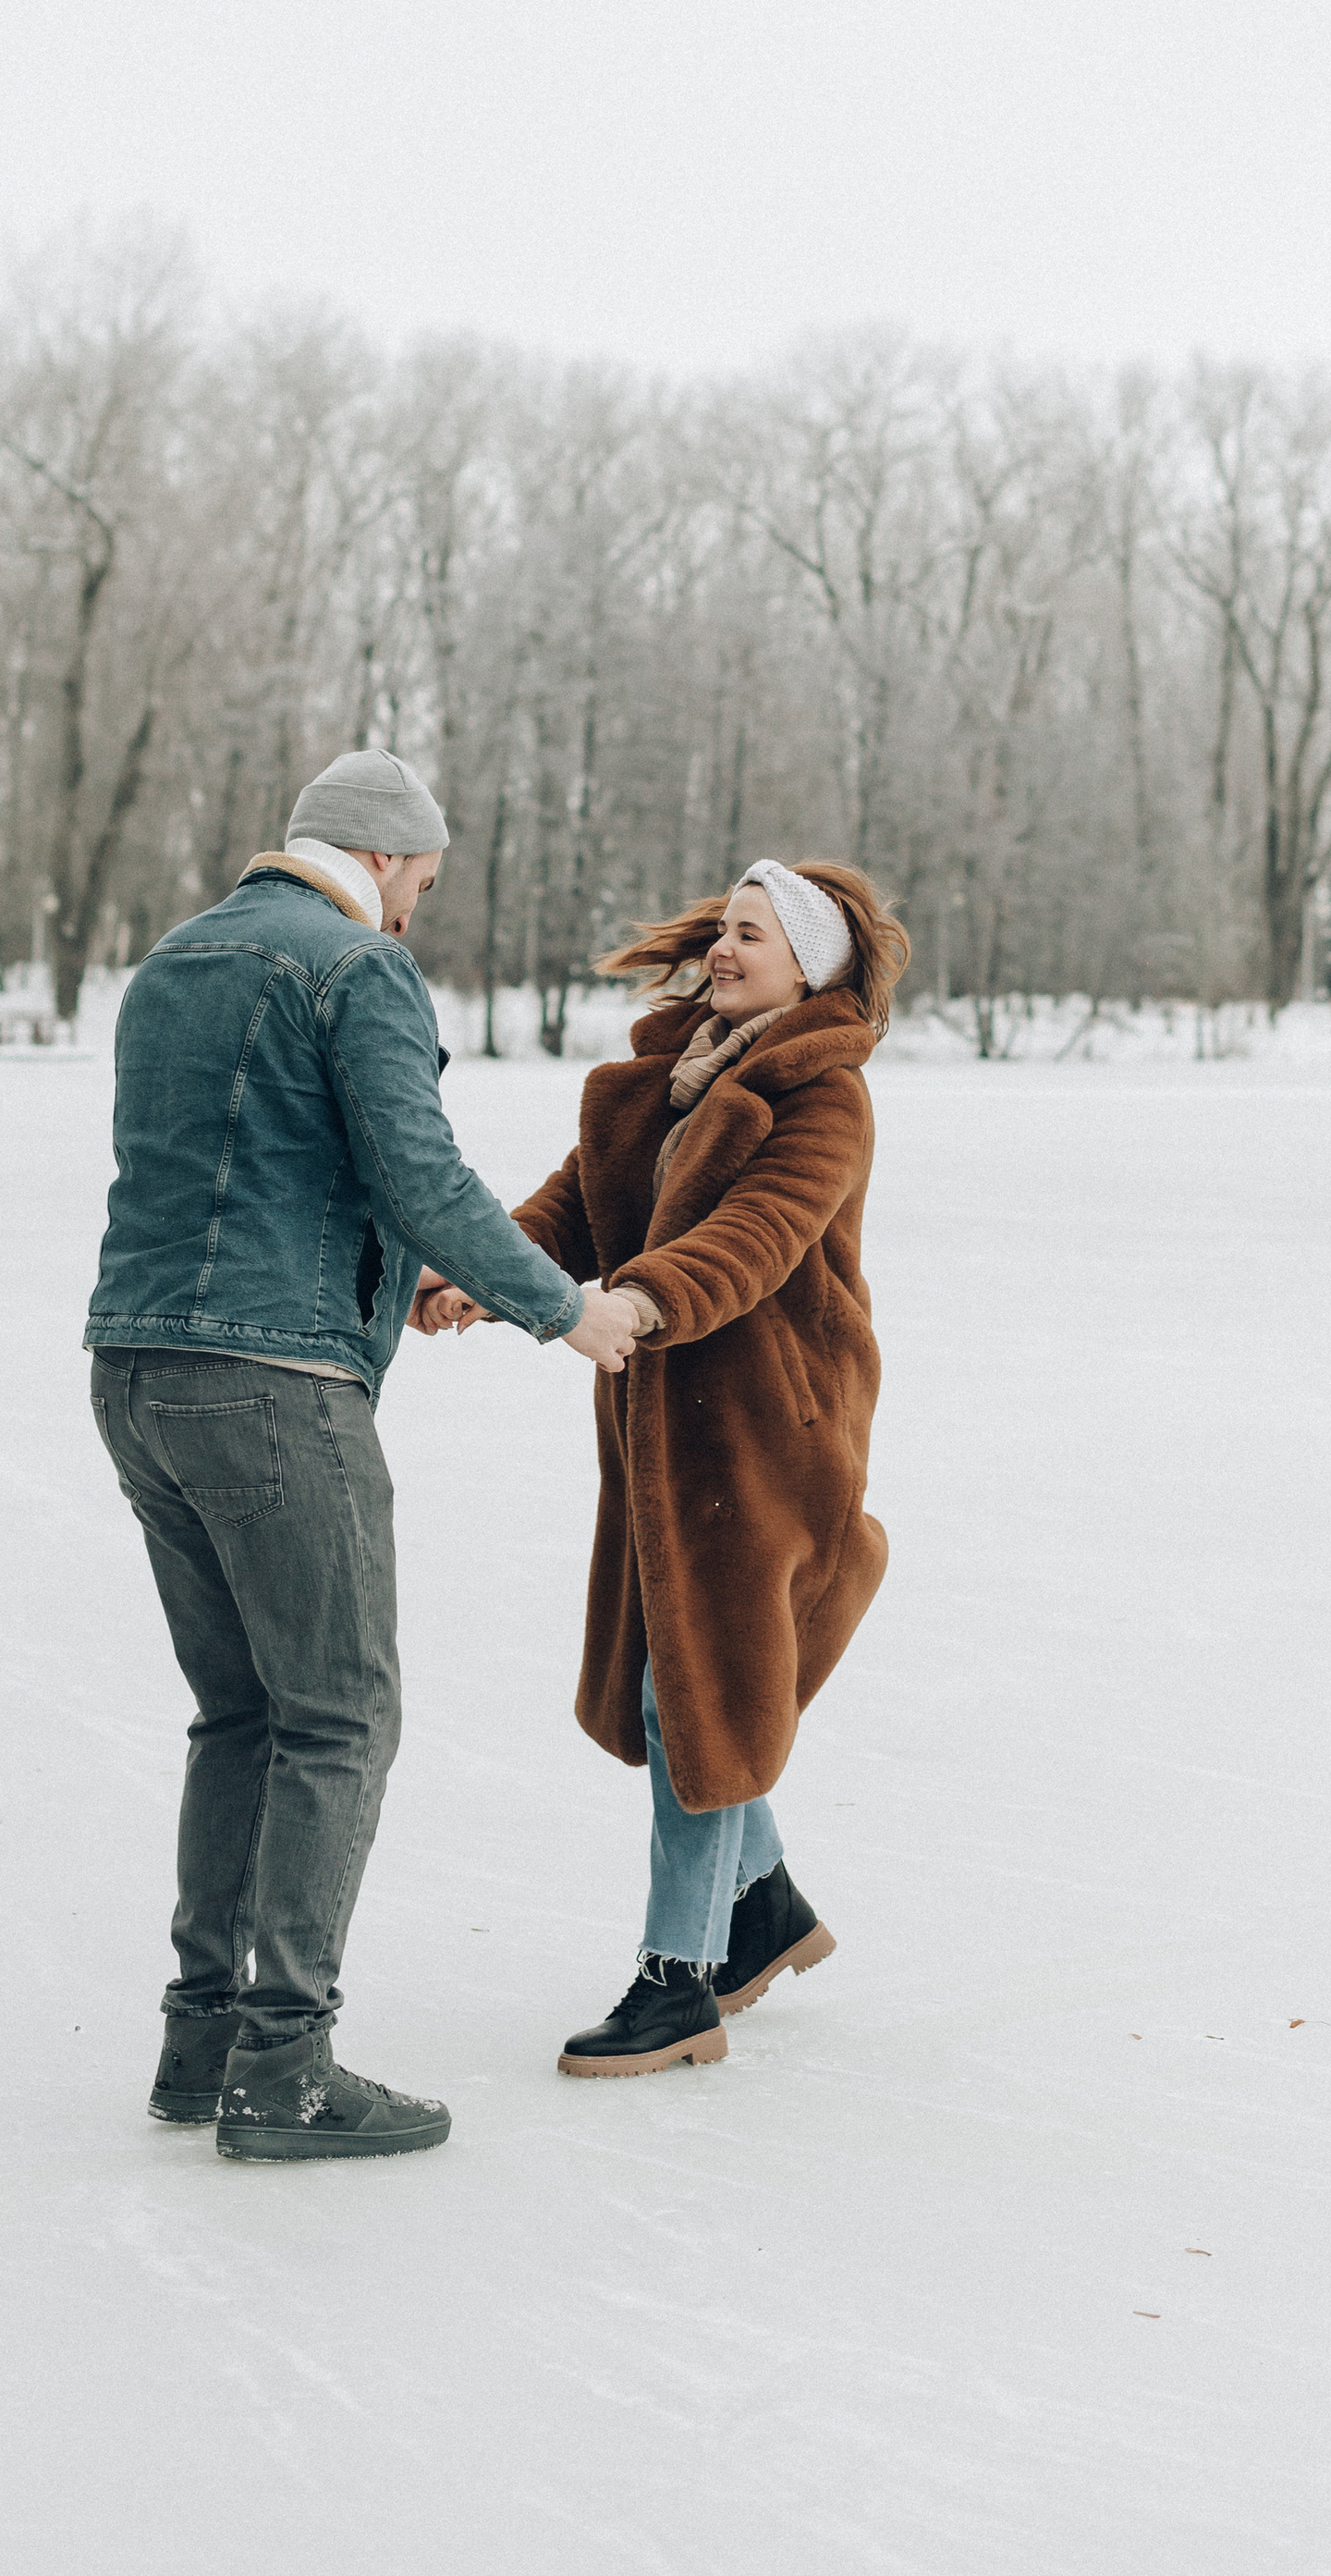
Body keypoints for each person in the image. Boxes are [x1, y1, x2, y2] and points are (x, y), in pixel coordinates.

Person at [82, 747, 641, 2164]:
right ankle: (285, 2066)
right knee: (339, 1713)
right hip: (274, 1388)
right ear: (387, 863)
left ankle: (199, 2037)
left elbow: (255, 1167)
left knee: (243, 1712)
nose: (414, 919)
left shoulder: (172, 962)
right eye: (424, 890)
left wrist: (414, 1284)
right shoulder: (354, 967)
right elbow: (418, 1170)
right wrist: (562, 1306)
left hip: (136, 1369)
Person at [422, 857, 909, 2078]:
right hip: (662, 1422)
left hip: (769, 1429)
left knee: (690, 1688)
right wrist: (484, 1275)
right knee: (694, 1675)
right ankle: (766, 1909)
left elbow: (753, 1238)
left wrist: (638, 1300)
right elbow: (570, 1208)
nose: (725, 950)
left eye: (754, 935)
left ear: (813, 967)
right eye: (726, 929)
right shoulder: (662, 1081)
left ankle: (679, 1979)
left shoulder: (825, 1098)